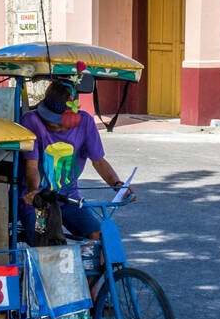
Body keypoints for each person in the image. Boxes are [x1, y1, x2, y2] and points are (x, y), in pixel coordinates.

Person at [19, 79, 134, 246]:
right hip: (38, 204)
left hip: (69, 199)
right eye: (50, 121)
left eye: (60, 124)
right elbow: (31, 166)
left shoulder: (85, 122)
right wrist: (34, 192)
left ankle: (103, 272)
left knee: (102, 238)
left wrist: (118, 186)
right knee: (47, 245)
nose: (55, 127)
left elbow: (99, 161)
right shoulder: (31, 120)